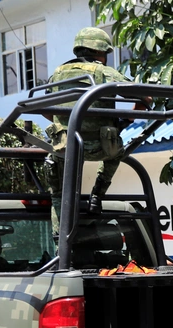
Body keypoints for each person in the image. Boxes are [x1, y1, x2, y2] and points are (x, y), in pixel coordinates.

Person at [45, 27, 146, 235]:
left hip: (66, 147)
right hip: (102, 146)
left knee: (58, 193)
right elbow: (145, 97)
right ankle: (97, 195)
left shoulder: (57, 73)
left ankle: (60, 243)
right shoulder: (104, 72)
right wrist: (129, 117)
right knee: (118, 152)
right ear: (101, 51)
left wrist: (64, 124)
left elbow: (44, 106)